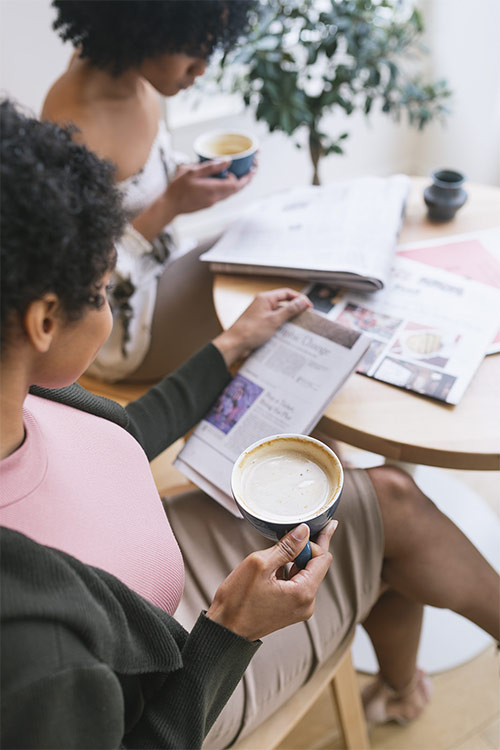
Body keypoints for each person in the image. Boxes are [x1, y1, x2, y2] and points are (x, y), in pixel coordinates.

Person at [1, 101, 499, 749]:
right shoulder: (42, 658)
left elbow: (116, 439)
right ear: (43, 321)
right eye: (102, 292)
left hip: (141, 594)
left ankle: (401, 686)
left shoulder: (26, 398)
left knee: (375, 510)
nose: (106, 306)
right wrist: (231, 632)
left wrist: (229, 346)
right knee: (390, 513)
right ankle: (403, 683)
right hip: (178, 674)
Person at [42, 0, 258, 383]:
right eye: (192, 50)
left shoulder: (132, 74)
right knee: (266, 290)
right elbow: (77, 283)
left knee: (266, 256)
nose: (202, 68)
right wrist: (170, 205)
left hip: (164, 269)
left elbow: (134, 183)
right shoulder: (78, 128)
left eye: (210, 47)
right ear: (143, 26)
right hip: (123, 325)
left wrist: (187, 180)